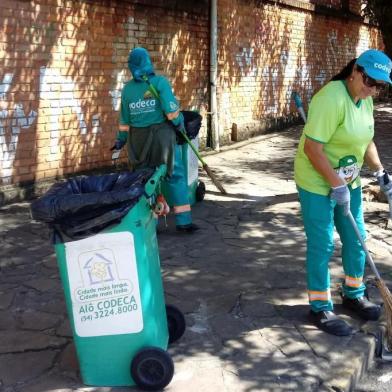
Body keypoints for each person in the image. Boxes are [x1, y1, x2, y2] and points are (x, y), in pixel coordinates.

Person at [294, 49, 392, 336]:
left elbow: (366, 140)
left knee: (356, 237)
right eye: (370, 81)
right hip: (315, 180)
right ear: (355, 71)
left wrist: (380, 173)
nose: (373, 89)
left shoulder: (364, 101)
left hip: (347, 180)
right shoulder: (331, 98)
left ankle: (353, 293)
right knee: (323, 242)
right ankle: (320, 306)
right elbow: (313, 149)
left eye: (380, 85)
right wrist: (335, 184)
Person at [112, 47, 199, 233]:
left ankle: (148, 222)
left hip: (138, 140)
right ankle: (184, 222)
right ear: (148, 62)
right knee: (174, 174)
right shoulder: (159, 83)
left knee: (143, 178)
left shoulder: (127, 90)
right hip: (162, 139)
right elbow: (172, 111)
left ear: (131, 66)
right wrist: (180, 124)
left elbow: (124, 120)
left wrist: (121, 140)